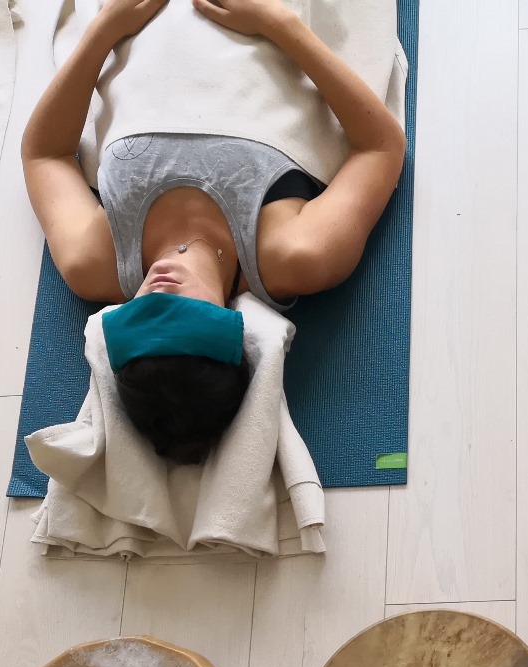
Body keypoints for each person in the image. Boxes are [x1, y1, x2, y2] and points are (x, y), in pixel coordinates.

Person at [21, 0, 405, 463]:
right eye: (178, 313)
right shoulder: (296, 254)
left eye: (141, 314)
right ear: (231, 330)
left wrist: (107, 27)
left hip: (146, 22)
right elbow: (380, 148)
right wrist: (276, 23)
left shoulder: (95, 261)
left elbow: (45, 154)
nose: (157, 290)